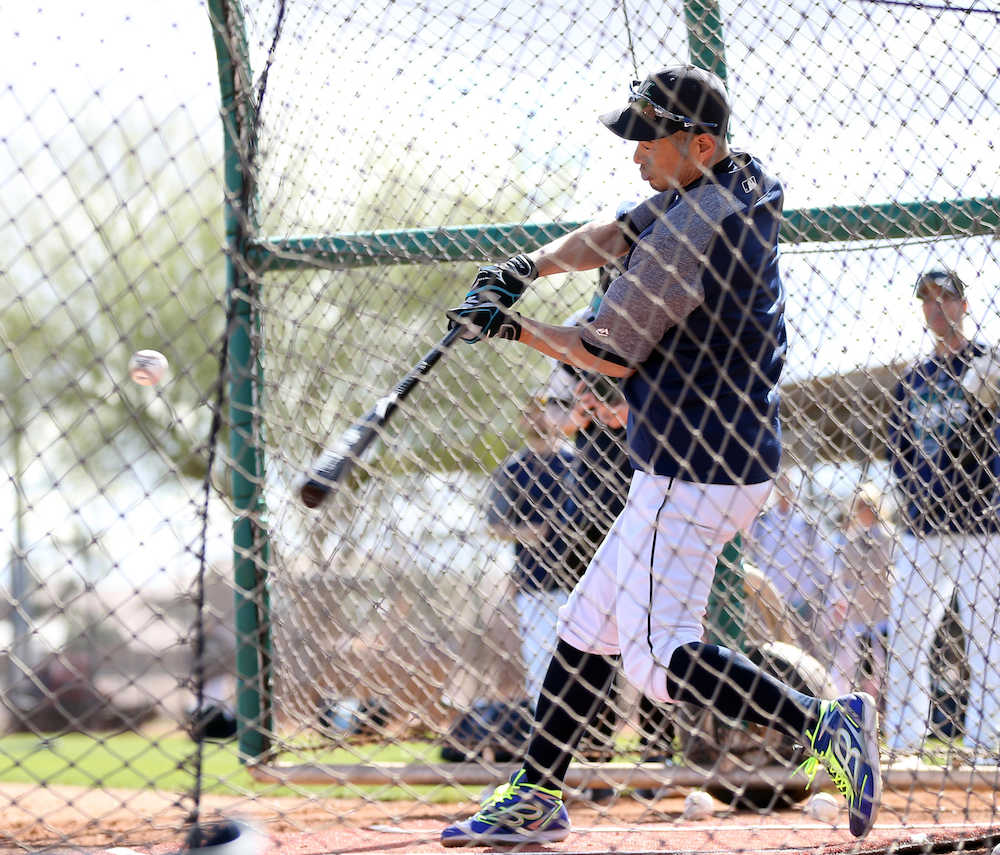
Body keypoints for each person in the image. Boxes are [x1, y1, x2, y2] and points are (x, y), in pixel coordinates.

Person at [439, 65, 881, 846]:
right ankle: (538, 791)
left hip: (693, 465)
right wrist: (525, 269)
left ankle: (824, 720)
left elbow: (606, 349)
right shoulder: (729, 183)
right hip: (709, 458)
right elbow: (616, 232)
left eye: (650, 139)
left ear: (699, 143)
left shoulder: (689, 234)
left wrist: (510, 328)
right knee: (585, 625)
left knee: (654, 658)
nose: (636, 153)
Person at [884, 268, 1000, 761]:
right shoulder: (913, 379)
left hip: (981, 523)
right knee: (908, 631)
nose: (937, 307)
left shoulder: (990, 366)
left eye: (946, 298)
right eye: (928, 300)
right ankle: (904, 741)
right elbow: (899, 452)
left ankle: (985, 742)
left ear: (964, 305)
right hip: (923, 526)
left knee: (987, 637)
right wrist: (918, 494)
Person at [485, 399, 576, 707]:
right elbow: (494, 525)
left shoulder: (577, 462)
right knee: (540, 658)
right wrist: (526, 533)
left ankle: (591, 733)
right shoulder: (513, 468)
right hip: (534, 578)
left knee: (583, 659)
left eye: (543, 411)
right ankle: (546, 727)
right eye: (530, 413)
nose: (537, 418)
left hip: (581, 576)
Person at [825, 483, 894, 699]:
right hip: (861, 611)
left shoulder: (887, 535)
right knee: (866, 663)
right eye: (862, 506)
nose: (866, 511)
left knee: (889, 658)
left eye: (869, 506)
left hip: (884, 609)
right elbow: (844, 573)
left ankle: (887, 703)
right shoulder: (851, 539)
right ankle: (870, 701)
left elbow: (891, 568)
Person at [745, 472, 835, 638]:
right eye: (781, 485)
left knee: (803, 646)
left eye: (789, 485)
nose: (785, 490)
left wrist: (832, 597)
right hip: (769, 597)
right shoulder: (763, 520)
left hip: (802, 599)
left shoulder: (806, 522)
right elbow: (749, 549)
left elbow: (822, 561)